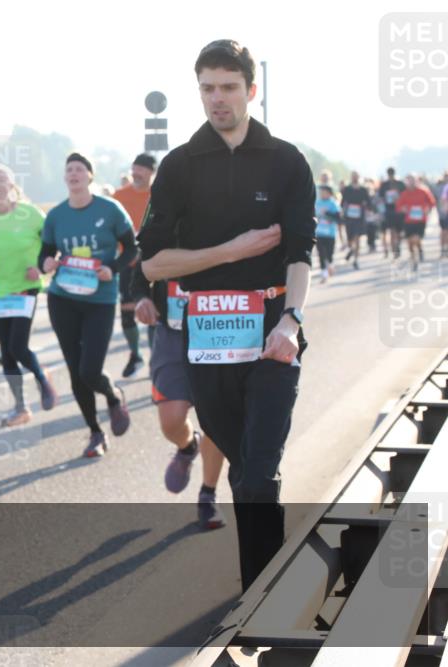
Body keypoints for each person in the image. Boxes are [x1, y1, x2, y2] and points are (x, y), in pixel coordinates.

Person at [138, 40, 315, 591]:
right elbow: (152, 264)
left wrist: (292, 321)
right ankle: (268, 590)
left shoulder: (286, 161)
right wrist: (228, 252)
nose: (218, 99)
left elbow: (300, 252)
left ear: (250, 91)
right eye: (208, 88)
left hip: (271, 333)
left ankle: (260, 607)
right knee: (244, 472)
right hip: (206, 336)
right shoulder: (180, 165)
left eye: (229, 87)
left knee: (259, 475)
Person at [38, 153, 134, 457]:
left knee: (90, 370)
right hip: (63, 299)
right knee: (75, 370)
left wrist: (113, 269)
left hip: (100, 300)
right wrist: (47, 264)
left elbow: (132, 247)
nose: (74, 173)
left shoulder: (110, 209)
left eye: (80, 169)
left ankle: (113, 394)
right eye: (69, 170)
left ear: (90, 176)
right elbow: (44, 256)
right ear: (65, 178)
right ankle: (95, 433)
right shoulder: (56, 215)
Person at [131, 265, 227, 528]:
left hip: (220, 331)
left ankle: (208, 494)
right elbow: (143, 266)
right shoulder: (165, 224)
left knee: (216, 421)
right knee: (171, 421)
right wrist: (142, 297)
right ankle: (187, 447)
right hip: (172, 337)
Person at [0, 165, 57, 427]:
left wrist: (42, 268)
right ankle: (21, 407)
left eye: (1, 181)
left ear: (12, 185)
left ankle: (43, 379)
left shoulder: (30, 214)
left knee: (17, 346)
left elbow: (52, 245)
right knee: (7, 354)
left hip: (26, 287)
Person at [113, 153, 157, 377]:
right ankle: (135, 354)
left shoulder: (160, 193)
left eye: (141, 169)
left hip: (154, 263)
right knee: (127, 309)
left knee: (152, 309)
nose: (135, 173)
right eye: (134, 169)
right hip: (127, 262)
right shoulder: (120, 196)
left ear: (152, 171)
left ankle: (155, 358)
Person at [396, 174, 437, 273]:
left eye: (412, 181)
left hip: (420, 220)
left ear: (416, 181)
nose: (411, 183)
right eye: (409, 181)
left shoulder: (423, 191)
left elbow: (432, 202)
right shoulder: (404, 193)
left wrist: (428, 208)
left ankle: (418, 251)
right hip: (409, 221)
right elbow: (398, 206)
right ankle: (414, 258)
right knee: (410, 242)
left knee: (416, 239)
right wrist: (402, 208)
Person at [340, 171, 370, 269]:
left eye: (356, 176)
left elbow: (369, 201)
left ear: (359, 177)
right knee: (350, 239)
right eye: (353, 176)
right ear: (351, 177)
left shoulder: (363, 189)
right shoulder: (347, 189)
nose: (355, 178)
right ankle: (351, 250)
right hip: (349, 217)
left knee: (357, 238)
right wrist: (342, 210)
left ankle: (356, 260)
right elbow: (343, 202)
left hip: (359, 217)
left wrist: (367, 206)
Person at [379, 167, 406, 259]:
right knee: (392, 230)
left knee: (399, 232)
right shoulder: (384, 185)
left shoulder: (400, 184)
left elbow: (405, 195)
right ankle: (394, 249)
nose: (391, 176)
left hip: (399, 210)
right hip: (389, 210)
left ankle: (398, 245)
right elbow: (381, 197)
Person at [315, 185, 341, 282]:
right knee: (321, 253)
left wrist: (327, 213)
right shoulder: (317, 203)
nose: (321, 193)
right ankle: (324, 273)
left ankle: (330, 264)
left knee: (329, 254)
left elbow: (338, 218)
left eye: (323, 192)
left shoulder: (333, 203)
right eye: (321, 192)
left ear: (329, 193)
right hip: (319, 233)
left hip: (330, 234)